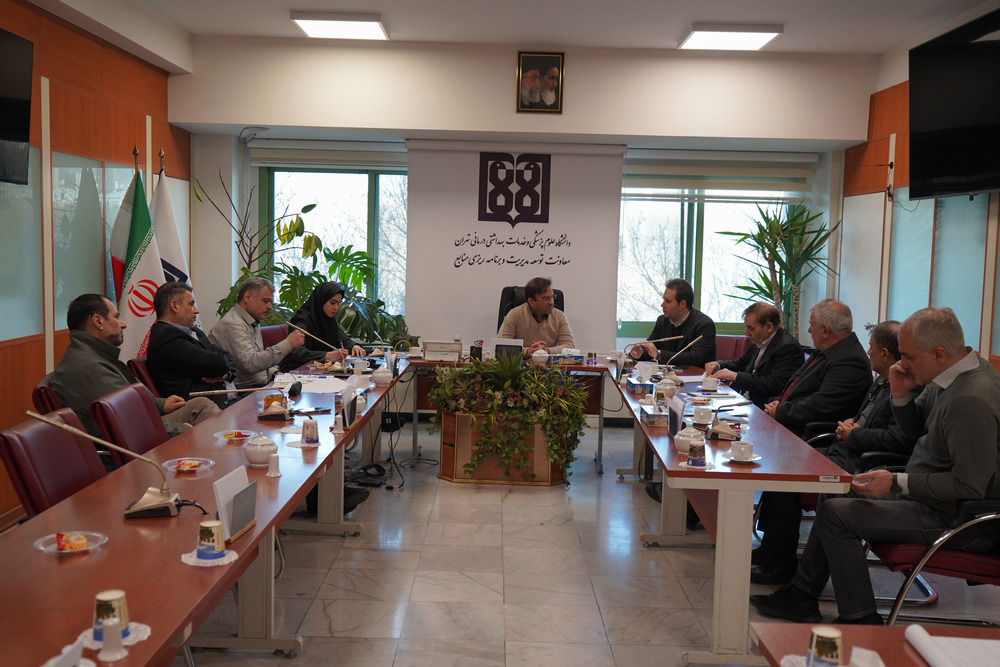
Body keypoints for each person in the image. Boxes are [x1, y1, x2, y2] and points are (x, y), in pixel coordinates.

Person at [750, 307, 1000, 625]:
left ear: (938, 353)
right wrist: (900, 395)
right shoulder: (949, 374)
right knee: (836, 492)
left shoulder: (970, 398)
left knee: (837, 514)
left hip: (961, 518)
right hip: (933, 498)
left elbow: (969, 485)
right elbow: (914, 431)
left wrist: (897, 481)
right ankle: (802, 596)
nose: (902, 363)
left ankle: (860, 618)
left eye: (907, 356)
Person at [751, 320, 919, 584]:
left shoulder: (904, 387)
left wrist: (854, 434)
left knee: (786, 476)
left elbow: (898, 439)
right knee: (781, 462)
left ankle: (782, 565)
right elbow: (864, 413)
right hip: (845, 447)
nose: (868, 352)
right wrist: (852, 423)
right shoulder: (882, 380)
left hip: (863, 461)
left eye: (872, 347)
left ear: (886, 354)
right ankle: (772, 552)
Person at [50, 294, 219, 438]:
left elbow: (129, 404)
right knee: (205, 419)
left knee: (200, 406)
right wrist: (181, 430)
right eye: (116, 317)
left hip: (135, 428)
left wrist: (160, 404)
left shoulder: (90, 355)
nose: (123, 323)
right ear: (98, 321)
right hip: (131, 445)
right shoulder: (89, 368)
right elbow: (130, 420)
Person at [762, 299, 870, 435]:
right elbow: (798, 388)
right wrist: (777, 401)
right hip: (789, 422)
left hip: (805, 434)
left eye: (811, 325)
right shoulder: (828, 351)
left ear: (825, 330)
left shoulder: (851, 361)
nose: (809, 330)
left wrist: (781, 410)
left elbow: (821, 407)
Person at [146, 282, 237, 407]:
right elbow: (219, 363)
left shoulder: (194, 331)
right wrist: (222, 367)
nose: (196, 310)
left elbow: (228, 357)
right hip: (206, 408)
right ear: (174, 306)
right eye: (191, 304)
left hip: (229, 399)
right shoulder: (166, 337)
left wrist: (224, 374)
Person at [209, 277, 307, 388]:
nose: (270, 307)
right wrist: (288, 344)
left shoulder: (252, 319)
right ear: (247, 297)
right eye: (265, 301)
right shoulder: (233, 324)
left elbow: (258, 359)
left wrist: (274, 373)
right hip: (243, 390)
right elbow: (250, 364)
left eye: (270, 302)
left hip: (260, 384)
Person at [704, 302, 803, 408]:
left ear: (769, 326)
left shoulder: (787, 347)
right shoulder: (758, 339)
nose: (746, 333)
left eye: (751, 328)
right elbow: (741, 363)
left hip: (762, 406)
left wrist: (735, 376)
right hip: (744, 399)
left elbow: (775, 385)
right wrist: (718, 365)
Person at [280, 281, 366, 372]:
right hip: (296, 371)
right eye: (332, 303)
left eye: (338, 303)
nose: (336, 308)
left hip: (320, 371)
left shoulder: (328, 319)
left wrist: (354, 346)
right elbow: (298, 352)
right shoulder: (301, 320)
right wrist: (326, 355)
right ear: (321, 300)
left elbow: (342, 338)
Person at [630, 278, 716, 367]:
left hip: (695, 374)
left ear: (682, 304)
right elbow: (651, 347)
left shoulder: (704, 324)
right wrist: (640, 353)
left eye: (667, 301)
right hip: (667, 374)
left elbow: (695, 358)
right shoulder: (662, 321)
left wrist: (659, 354)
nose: (662, 305)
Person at [499, 276, 575, 356]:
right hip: (522, 363)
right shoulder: (514, 314)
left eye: (552, 297)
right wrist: (527, 351)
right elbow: (502, 346)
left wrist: (547, 351)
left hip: (548, 363)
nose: (552, 302)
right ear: (531, 302)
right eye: (546, 299)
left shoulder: (559, 316)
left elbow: (570, 346)